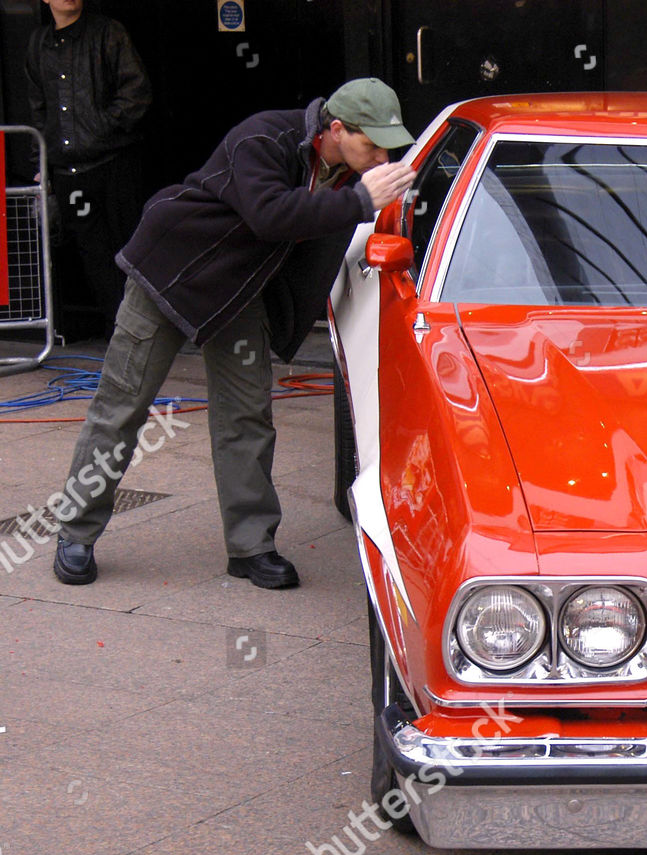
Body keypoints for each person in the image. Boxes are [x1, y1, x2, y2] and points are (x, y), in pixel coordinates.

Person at [51, 79, 417, 588]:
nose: (380, 156)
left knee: (246, 414)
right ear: (337, 129)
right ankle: (76, 533)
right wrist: (358, 201)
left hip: (239, 293)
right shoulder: (264, 137)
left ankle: (251, 547)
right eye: (371, 144)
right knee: (122, 406)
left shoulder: (348, 174)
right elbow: (270, 215)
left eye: (387, 147)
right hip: (171, 272)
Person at [24, 0, 151, 336]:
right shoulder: (38, 43)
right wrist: (43, 163)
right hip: (69, 171)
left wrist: (97, 130)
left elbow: (136, 93)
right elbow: (38, 110)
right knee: (94, 258)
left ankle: (143, 333)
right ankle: (119, 334)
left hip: (114, 162)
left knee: (131, 250)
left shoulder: (108, 32)